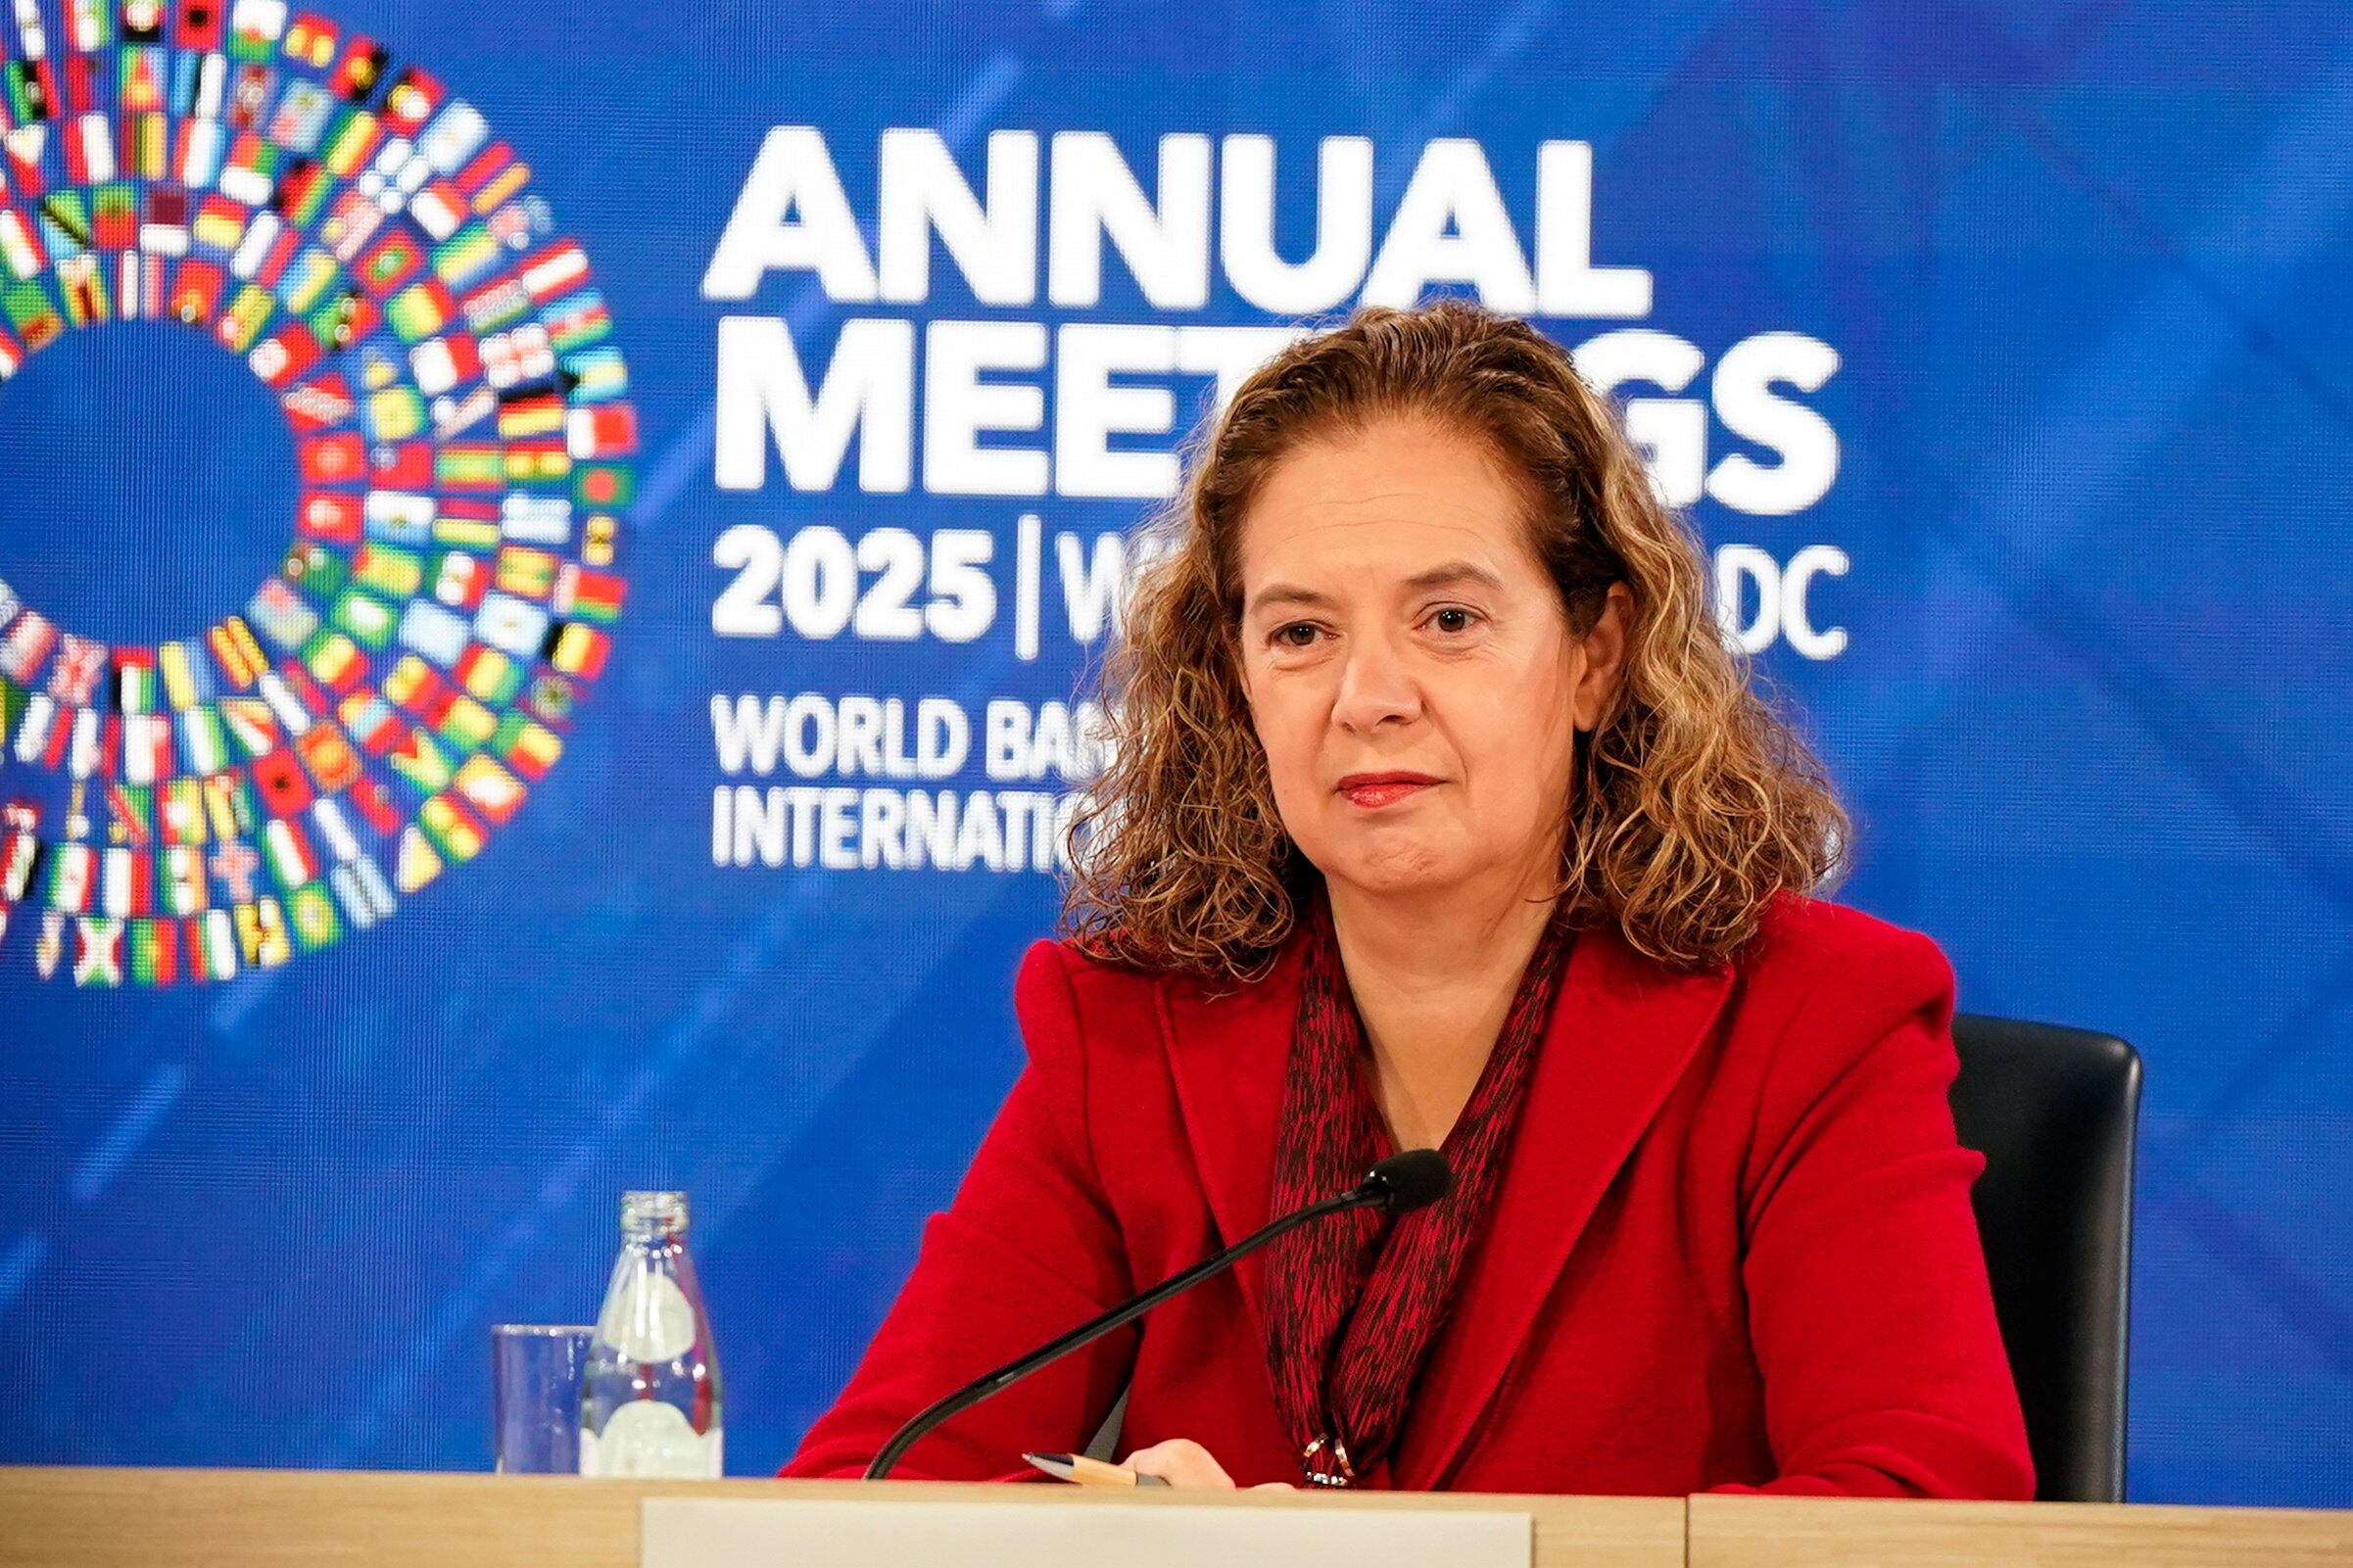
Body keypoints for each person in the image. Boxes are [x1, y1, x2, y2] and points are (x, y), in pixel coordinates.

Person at [783, 298, 2034, 1497]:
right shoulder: (1130, 1033)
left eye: (1446, 618)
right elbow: (866, 1489)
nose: (1366, 697)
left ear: (1594, 656)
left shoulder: (1808, 1021)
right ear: (1234, 678)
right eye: (1299, 633)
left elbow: (1919, 1509)